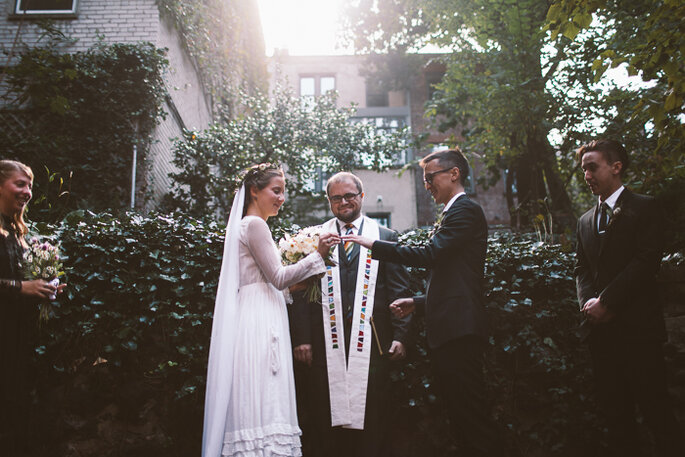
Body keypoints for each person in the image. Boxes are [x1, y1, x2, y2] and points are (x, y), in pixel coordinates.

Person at [345, 149, 505, 457]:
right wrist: (418, 303)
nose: (427, 185)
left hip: (460, 331)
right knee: (459, 416)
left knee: (472, 415)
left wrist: (376, 245)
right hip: (448, 329)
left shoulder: (465, 210)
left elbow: (432, 254)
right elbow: (451, 277)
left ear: (454, 174)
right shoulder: (452, 213)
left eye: (430, 178)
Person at [202, 163, 340, 457]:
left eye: (283, 192)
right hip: (259, 319)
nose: (281, 198)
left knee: (261, 391)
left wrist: (304, 280)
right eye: (275, 191)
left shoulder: (246, 226)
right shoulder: (255, 225)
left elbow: (273, 282)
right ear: (254, 190)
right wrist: (317, 255)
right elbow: (277, 278)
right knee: (265, 389)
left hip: (258, 309)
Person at [289, 172, 412, 457]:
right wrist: (302, 339)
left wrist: (403, 335)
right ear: (329, 201)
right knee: (324, 413)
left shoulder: (384, 236)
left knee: (373, 413)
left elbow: (399, 290)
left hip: (372, 341)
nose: (343, 202)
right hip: (324, 343)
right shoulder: (313, 238)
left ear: (361, 197)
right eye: (336, 197)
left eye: (349, 196)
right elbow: (301, 293)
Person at [574, 139, 682, 457]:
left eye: (592, 167)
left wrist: (607, 302)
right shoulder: (584, 222)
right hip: (602, 338)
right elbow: (581, 268)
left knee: (658, 413)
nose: (587, 175)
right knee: (616, 419)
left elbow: (646, 261)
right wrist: (588, 304)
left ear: (616, 167)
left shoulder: (645, 207)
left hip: (639, 333)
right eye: (583, 170)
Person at [0, 160, 63, 452]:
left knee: (16, 408)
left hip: (17, 337)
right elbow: (15, 285)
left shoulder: (18, 233)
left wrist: (44, 288)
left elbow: (23, 281)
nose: (27, 192)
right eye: (19, 184)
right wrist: (20, 288)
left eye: (30, 186)